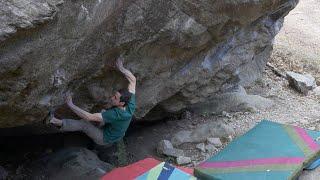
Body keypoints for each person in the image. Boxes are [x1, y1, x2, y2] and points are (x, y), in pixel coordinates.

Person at [48, 57, 136, 145]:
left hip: (104, 138)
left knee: (84, 124)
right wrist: (121, 68)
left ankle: (53, 121)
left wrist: (71, 104)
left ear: (122, 103)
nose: (112, 97)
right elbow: (133, 80)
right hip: (116, 131)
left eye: (115, 98)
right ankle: (104, 126)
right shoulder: (130, 101)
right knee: (103, 111)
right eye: (114, 95)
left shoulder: (116, 114)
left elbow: (89, 117)